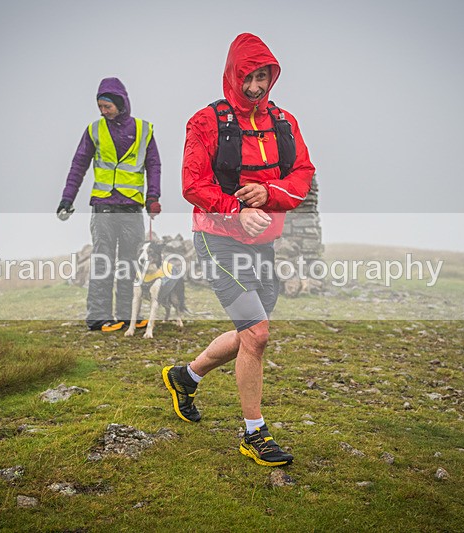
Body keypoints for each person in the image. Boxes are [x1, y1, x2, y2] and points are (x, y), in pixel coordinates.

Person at [162, 33, 316, 467]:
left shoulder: (285, 121)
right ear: (233, 74)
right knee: (258, 334)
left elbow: (302, 175)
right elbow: (193, 184)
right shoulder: (206, 122)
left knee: (251, 333)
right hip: (218, 240)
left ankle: (185, 377)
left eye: (262, 77)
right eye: (247, 77)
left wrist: (268, 193)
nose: (254, 87)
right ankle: (255, 434)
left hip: (263, 244)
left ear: (272, 76)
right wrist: (234, 210)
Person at [58, 78, 162, 332]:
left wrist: (153, 197)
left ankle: (128, 316)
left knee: (129, 263)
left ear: (121, 103)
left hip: (132, 208)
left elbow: (154, 166)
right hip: (103, 208)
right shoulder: (94, 130)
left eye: (107, 106)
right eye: (100, 107)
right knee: (103, 261)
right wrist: (67, 198)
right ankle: (98, 318)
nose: (103, 112)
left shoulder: (144, 130)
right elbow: (78, 165)